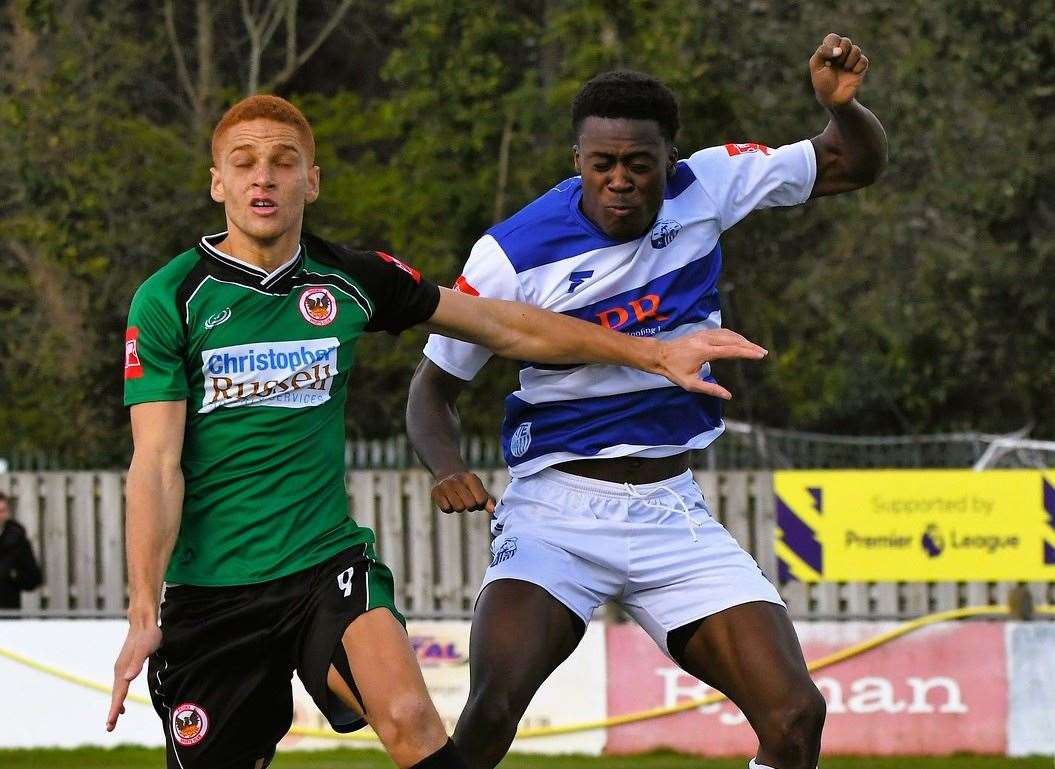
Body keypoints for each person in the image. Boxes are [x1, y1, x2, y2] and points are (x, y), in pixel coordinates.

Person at [104, 94, 768, 769]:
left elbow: (507, 324)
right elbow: (157, 466)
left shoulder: (354, 279)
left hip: (324, 567)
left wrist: (654, 354)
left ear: (313, 179)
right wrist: (140, 613)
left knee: (411, 716)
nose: (262, 179)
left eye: (283, 162)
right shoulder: (171, 300)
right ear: (217, 181)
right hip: (214, 595)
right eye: (243, 164)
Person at [407, 34, 887, 769]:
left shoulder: (712, 183)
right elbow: (431, 389)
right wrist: (445, 466)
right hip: (553, 515)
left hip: (672, 512)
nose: (620, 181)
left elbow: (855, 162)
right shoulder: (509, 255)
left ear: (671, 159)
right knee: (490, 710)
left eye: (639, 164)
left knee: (795, 717)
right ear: (577, 162)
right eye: (602, 164)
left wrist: (839, 109)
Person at [0, 492, 43, 611]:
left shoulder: (18, 540)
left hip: (7, 611)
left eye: (2, 511)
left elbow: (33, 579)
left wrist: (13, 574)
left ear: (8, 512)